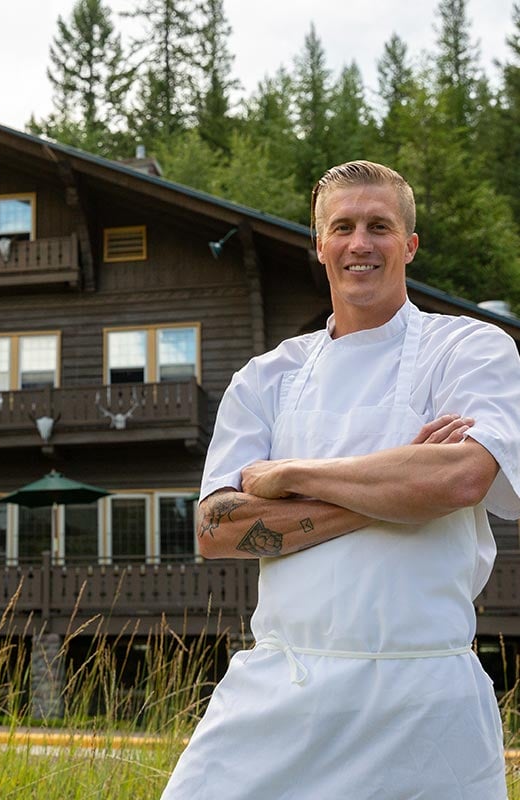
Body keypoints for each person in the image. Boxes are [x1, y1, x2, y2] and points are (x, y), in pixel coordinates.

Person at [161, 161, 520, 799]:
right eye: (344, 226)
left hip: (423, 700)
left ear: (409, 244)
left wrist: (293, 474)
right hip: (279, 688)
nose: (361, 243)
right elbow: (217, 529)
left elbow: (463, 477)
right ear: (319, 244)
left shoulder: (470, 349)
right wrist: (403, 487)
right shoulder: (266, 377)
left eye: (380, 226)